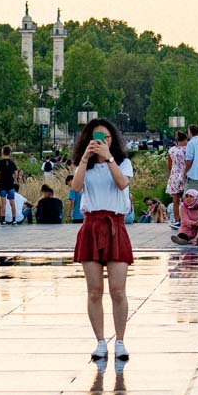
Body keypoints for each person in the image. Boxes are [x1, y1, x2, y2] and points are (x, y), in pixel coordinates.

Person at [71, 117, 134, 362]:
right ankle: (99, 342)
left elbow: (121, 184)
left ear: (112, 139)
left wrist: (108, 157)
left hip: (115, 224)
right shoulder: (82, 164)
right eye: (96, 138)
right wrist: (85, 159)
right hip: (92, 224)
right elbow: (76, 188)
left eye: (105, 138)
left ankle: (119, 341)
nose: (101, 142)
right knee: (94, 291)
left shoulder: (123, 162)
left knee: (118, 290)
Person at [0, 145, 22, 225]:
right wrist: (14, 180)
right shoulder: (12, 163)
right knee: (12, 203)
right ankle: (14, 220)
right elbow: (16, 172)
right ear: (10, 153)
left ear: (2, 152)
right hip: (11, 185)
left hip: (2, 185)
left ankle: (3, 220)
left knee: (3, 203)